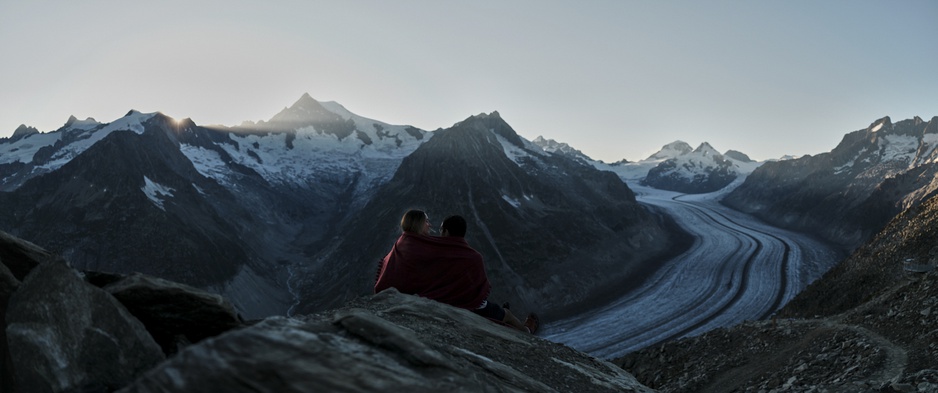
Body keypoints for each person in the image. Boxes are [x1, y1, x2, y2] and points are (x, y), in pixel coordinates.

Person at [375, 210, 538, 334]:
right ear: (418, 224)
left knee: (498, 312)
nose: (429, 225)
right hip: (451, 301)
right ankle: (526, 331)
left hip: (433, 296)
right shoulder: (423, 246)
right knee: (504, 314)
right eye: (426, 221)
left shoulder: (410, 243)